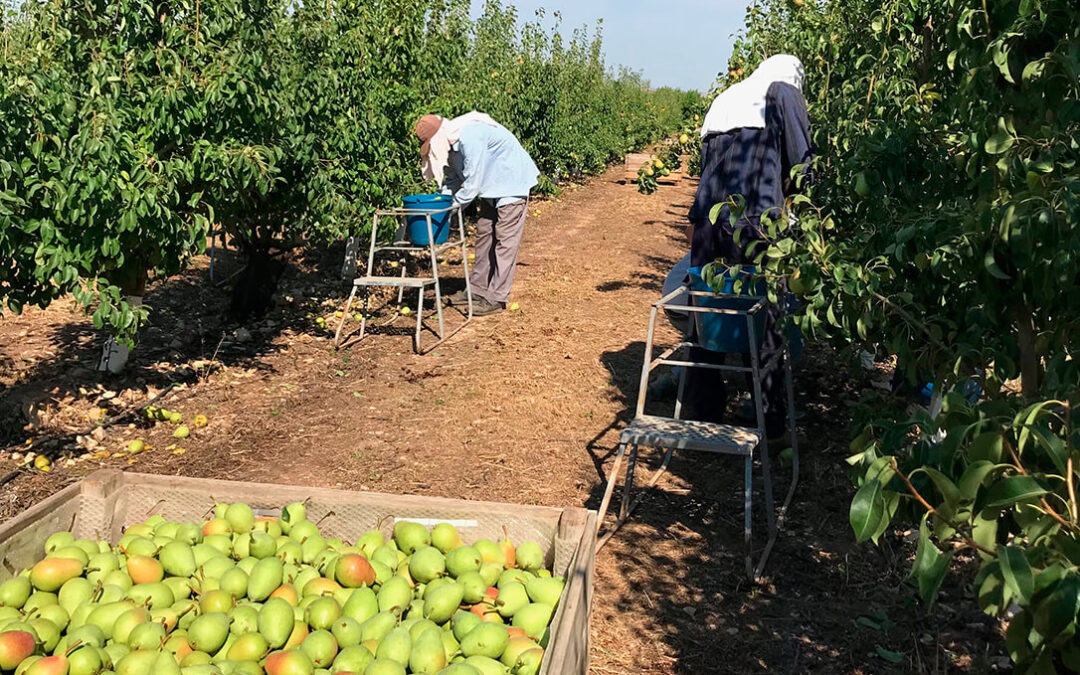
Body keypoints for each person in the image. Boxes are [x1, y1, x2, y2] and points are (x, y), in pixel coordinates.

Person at [682, 55, 813, 440]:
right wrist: (805, 207)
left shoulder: (725, 99)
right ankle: (768, 420)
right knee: (765, 316)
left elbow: (707, 168)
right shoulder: (781, 90)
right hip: (757, 222)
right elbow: (800, 160)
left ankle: (704, 412)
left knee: (710, 308)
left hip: (709, 222)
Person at [414, 112, 539, 317]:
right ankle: (476, 290)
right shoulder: (452, 146)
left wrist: (449, 209)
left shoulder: (470, 136)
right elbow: (453, 180)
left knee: (504, 243)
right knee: (484, 238)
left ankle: (496, 297)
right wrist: (440, 202)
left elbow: (471, 186)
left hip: (511, 184)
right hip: (492, 187)